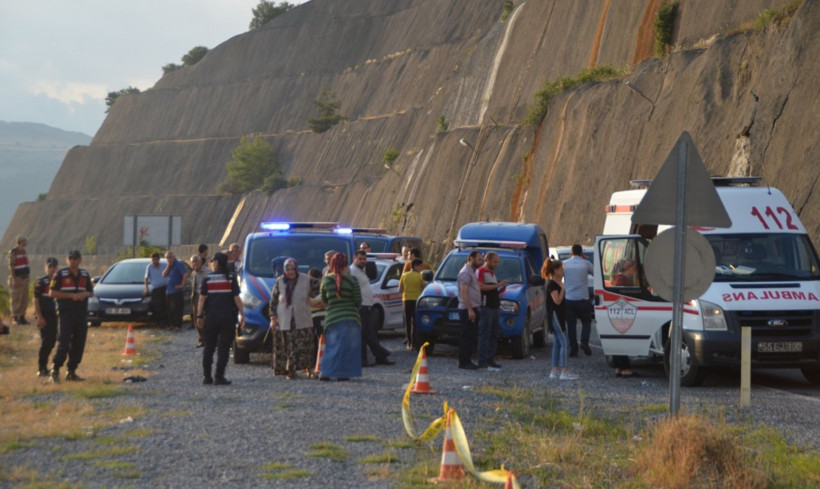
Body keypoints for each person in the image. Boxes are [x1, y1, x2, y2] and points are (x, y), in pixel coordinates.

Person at [197, 252, 244, 385]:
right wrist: (243, 314)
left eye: (213, 261)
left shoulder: (208, 278)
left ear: (217, 263)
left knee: (209, 348)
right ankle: (219, 376)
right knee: (223, 348)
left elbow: (202, 298)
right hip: (227, 318)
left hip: (211, 318)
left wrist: (199, 315)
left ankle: (207, 377)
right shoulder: (231, 278)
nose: (212, 263)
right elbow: (236, 298)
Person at [269, 258, 321, 379]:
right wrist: (273, 318)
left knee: (306, 346)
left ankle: (308, 369)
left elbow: (322, 287)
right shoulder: (280, 281)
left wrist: (313, 300)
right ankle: (290, 370)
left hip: (302, 317)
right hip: (285, 319)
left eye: (293, 269)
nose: (290, 271)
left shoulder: (307, 279)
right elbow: (274, 301)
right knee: (287, 346)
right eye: (288, 269)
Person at [49, 250, 94, 383]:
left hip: (81, 313)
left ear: (80, 260)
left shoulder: (85, 274)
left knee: (79, 343)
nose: (73, 261)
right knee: (63, 342)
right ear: (67, 260)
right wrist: (71, 296)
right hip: (66, 313)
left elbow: (91, 292)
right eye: (70, 259)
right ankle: (55, 369)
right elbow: (52, 293)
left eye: (75, 259)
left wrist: (84, 294)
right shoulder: (60, 274)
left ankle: (72, 371)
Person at [319, 252, 362, 381]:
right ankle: (343, 374)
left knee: (332, 346)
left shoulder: (326, 280)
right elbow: (358, 300)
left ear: (331, 264)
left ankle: (325, 372)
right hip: (350, 317)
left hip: (332, 318)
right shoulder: (352, 280)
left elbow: (324, 299)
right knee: (347, 348)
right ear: (346, 264)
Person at [350, 250, 394, 366]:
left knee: (368, 333)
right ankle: (379, 355)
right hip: (361, 306)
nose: (363, 261)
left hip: (368, 305)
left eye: (364, 259)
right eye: (360, 259)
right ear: (354, 258)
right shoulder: (352, 271)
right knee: (366, 334)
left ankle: (374, 358)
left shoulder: (361, 271)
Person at [542, 258, 577, 380]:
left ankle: (554, 370)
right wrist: (563, 289)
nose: (563, 271)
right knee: (564, 342)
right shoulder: (553, 284)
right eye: (561, 269)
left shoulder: (556, 283)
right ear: (556, 270)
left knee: (557, 343)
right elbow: (557, 301)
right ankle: (564, 371)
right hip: (556, 315)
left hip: (560, 315)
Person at [476, 251, 508, 370]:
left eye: (498, 262)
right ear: (487, 260)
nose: (497, 264)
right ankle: (482, 360)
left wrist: (499, 288)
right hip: (486, 307)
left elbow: (492, 289)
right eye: (495, 262)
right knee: (485, 334)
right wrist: (497, 285)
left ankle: (490, 359)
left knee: (493, 334)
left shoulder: (492, 274)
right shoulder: (481, 271)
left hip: (495, 306)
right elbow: (481, 286)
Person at [563, 244, 594, 357]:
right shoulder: (586, 264)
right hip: (583, 298)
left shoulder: (564, 264)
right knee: (586, 322)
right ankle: (584, 342)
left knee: (571, 325)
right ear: (582, 253)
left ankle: (573, 349)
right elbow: (595, 273)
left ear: (571, 253)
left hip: (569, 298)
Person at [457, 250, 482, 370]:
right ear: (471, 258)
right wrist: (470, 310)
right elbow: (464, 292)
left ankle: (467, 360)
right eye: (478, 259)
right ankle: (464, 362)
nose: (480, 262)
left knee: (471, 336)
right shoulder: (465, 273)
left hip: (473, 307)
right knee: (466, 336)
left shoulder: (472, 271)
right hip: (467, 309)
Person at [611, 259, 636, 377]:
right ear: (629, 268)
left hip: (619, 311)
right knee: (622, 337)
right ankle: (624, 367)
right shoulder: (623, 280)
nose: (635, 270)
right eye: (634, 268)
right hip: (622, 311)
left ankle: (618, 367)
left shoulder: (619, 278)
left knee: (619, 337)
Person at [34, 257, 59, 377]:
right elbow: (36, 300)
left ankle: (45, 367)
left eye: (54, 267)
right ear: (46, 268)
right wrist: (39, 317)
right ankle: (41, 368)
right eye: (50, 267)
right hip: (44, 316)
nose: (52, 269)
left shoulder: (58, 281)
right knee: (46, 342)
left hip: (54, 317)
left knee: (52, 341)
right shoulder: (41, 283)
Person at [399, 259, 426, 351]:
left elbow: (400, 289)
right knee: (415, 322)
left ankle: (409, 343)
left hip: (406, 300)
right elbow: (423, 289)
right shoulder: (420, 276)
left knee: (407, 322)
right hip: (416, 300)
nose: (421, 268)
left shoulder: (404, 275)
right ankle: (414, 343)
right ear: (415, 266)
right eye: (420, 266)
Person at [162, 251, 189, 330]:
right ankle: (171, 325)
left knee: (177, 309)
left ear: (174, 257)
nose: (169, 259)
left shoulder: (178, 264)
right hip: (169, 291)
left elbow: (185, 274)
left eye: (170, 257)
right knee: (170, 309)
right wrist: (168, 266)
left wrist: (182, 284)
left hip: (177, 291)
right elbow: (164, 274)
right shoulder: (169, 265)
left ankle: (177, 325)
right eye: (167, 258)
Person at [8, 236, 31, 325]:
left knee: (24, 298)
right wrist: (14, 279)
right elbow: (11, 265)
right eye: (24, 241)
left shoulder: (23, 251)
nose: (26, 243)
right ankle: (15, 317)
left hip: (25, 277)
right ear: (20, 242)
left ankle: (22, 316)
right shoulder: (14, 252)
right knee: (16, 298)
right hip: (17, 278)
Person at [143, 252, 168, 325]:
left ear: (159, 259)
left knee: (165, 305)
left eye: (156, 260)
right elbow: (146, 278)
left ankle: (166, 321)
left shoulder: (164, 265)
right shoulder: (149, 267)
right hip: (156, 289)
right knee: (157, 305)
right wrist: (146, 289)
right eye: (153, 260)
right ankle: (159, 322)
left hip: (165, 287)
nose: (154, 261)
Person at [190, 254, 206, 347]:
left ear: (201, 262)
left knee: (205, 318)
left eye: (196, 260)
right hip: (196, 296)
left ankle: (209, 339)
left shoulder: (206, 272)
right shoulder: (193, 273)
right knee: (196, 318)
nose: (194, 263)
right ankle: (201, 339)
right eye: (193, 261)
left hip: (205, 297)